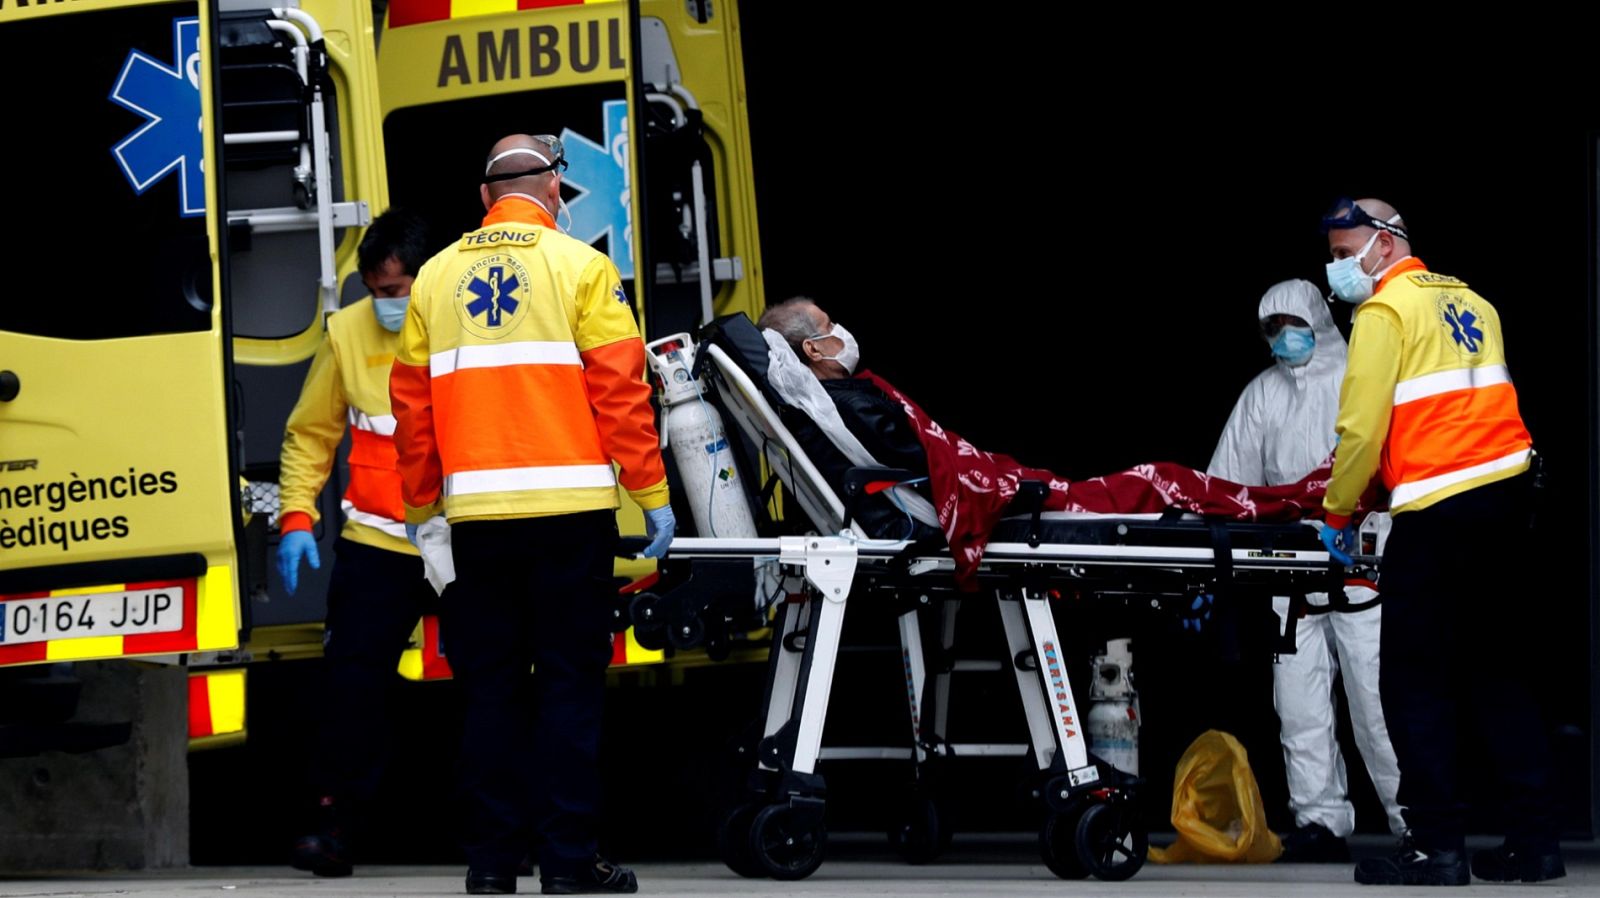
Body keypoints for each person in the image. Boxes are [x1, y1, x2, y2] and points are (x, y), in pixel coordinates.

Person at [389, 133, 672, 896]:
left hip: (477, 523)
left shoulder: (435, 278)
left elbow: (411, 412)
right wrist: (651, 496)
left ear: (485, 198)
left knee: (492, 692)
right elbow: (621, 395)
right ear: (554, 192)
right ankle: (570, 866)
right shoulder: (582, 267)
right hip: (571, 519)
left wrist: (423, 513)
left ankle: (490, 866)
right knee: (570, 690)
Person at [1317, 197, 1561, 886]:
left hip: (1438, 512)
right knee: (1501, 679)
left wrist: (1338, 513)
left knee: (1414, 684)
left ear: (1387, 245)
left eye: (1345, 253)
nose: (1338, 268)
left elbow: (1361, 430)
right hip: (1508, 508)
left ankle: (1437, 848)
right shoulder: (1474, 302)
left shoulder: (1385, 312)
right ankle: (1536, 844)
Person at [1208, 279, 1404, 861]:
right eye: (1270, 327)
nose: (1280, 336)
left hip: (1362, 557)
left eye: (1288, 322)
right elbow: (1229, 484)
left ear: (1317, 316)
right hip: (1288, 568)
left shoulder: (1363, 378)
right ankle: (1319, 819)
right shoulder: (1262, 395)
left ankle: (1414, 818)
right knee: (1298, 702)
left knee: (1378, 699)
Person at [278, 208, 432, 878]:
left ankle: (508, 832)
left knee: (499, 685)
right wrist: (294, 519)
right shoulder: (346, 333)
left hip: (463, 537)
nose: (387, 305)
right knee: (352, 692)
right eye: (378, 292)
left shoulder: (473, 326)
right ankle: (334, 828)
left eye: (398, 291)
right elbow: (312, 434)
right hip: (377, 541)